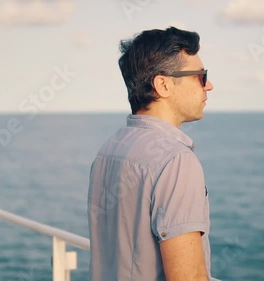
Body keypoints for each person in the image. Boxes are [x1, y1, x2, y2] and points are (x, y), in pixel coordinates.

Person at [87, 26, 218, 281]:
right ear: (163, 85)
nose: (209, 85)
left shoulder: (107, 151)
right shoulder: (175, 161)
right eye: (201, 76)